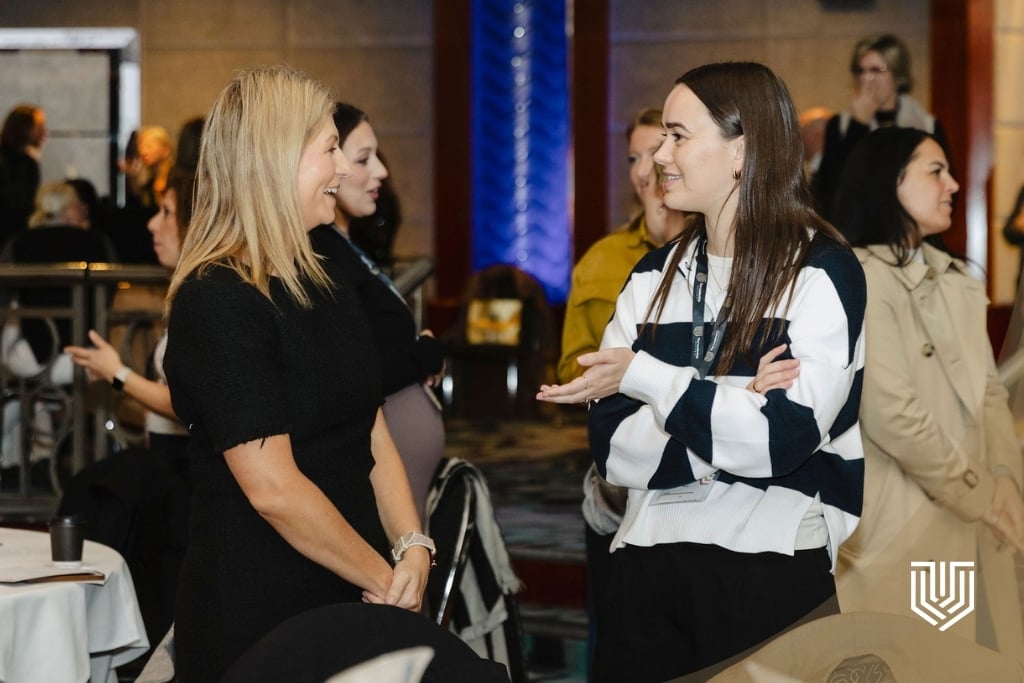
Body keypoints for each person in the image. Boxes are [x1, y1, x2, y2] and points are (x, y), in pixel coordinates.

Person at [537, 61, 866, 681]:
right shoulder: (651, 276)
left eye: (678, 135)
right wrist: (737, 401)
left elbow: (782, 439)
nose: (659, 155)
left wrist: (648, 380)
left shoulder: (820, 273)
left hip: (770, 563)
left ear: (742, 152)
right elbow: (613, 451)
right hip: (646, 559)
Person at [162, 66, 437, 682]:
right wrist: (385, 579)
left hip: (354, 586)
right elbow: (274, 490)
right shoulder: (218, 298)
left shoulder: (324, 278)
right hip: (263, 606)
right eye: (330, 148)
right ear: (274, 160)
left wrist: (412, 544)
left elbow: (371, 432)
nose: (343, 168)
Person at [831, 126, 1024, 663]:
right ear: (889, 183)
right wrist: (983, 494)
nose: (954, 185)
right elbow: (892, 414)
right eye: (936, 171)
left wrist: (1006, 480)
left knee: (970, 660)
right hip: (910, 523)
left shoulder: (958, 278)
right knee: (922, 663)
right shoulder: (861, 278)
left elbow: (989, 393)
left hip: (974, 516)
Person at [556, 105, 688, 678]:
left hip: (700, 471)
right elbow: (572, 366)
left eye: (653, 151)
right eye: (632, 157)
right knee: (619, 632)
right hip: (618, 479)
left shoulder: (728, 255)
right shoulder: (604, 260)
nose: (644, 169)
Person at [309, 103, 445, 521]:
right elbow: (349, 368)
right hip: (370, 462)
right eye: (362, 158)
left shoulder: (347, 246)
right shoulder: (322, 252)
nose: (382, 172)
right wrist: (422, 356)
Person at [812, 34, 948, 222]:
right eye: (861, 70)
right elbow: (829, 190)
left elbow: (943, 186)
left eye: (876, 70)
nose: (867, 79)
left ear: (897, 74)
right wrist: (858, 126)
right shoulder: (841, 125)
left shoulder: (926, 126)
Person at [0, 103, 46, 246]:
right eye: (39, 127)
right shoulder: (23, 164)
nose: (44, 132)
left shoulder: (29, 162)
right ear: (25, 128)